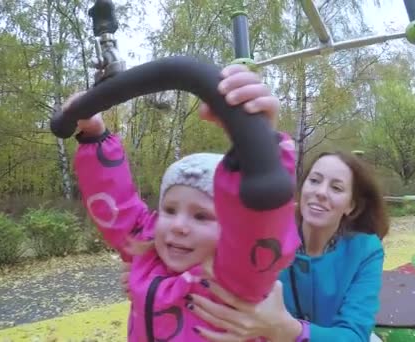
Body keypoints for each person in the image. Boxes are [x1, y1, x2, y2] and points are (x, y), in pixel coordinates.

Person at [68, 64, 301, 341]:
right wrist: (95, 135)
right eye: (169, 210)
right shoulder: (148, 252)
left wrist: (257, 147)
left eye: (201, 216)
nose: (178, 225)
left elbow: (259, 229)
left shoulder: (234, 277)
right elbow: (117, 207)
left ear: (231, 231)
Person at [183, 150, 391, 341]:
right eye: (315, 181)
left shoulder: (366, 250)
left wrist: (288, 328)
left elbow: (354, 336)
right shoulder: (269, 229)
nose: (320, 192)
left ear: (351, 206)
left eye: (336, 188)